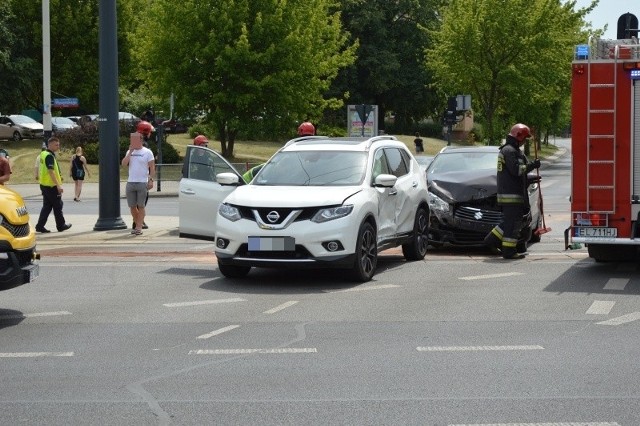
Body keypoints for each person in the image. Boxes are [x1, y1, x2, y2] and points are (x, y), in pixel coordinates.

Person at [484, 123, 540, 259]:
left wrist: (532, 175)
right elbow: (517, 170)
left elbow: (521, 170)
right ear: (518, 136)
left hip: (514, 194)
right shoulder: (509, 151)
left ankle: (491, 240)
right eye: (524, 138)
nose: (524, 142)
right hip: (511, 195)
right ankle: (508, 252)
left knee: (510, 222)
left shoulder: (514, 151)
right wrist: (532, 165)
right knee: (512, 224)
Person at [123, 123, 156, 235]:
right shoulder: (130, 151)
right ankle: (139, 222)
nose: (133, 142)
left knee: (141, 205)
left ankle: (138, 227)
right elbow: (123, 164)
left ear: (141, 140)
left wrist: (151, 180)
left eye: (135, 140)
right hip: (130, 182)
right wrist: (130, 152)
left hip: (142, 182)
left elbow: (152, 168)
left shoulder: (147, 152)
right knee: (132, 206)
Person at [35, 137, 72, 233]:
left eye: (58, 144)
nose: (58, 146)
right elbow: (51, 172)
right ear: (50, 144)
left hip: (44, 184)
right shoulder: (49, 156)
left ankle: (40, 226)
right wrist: (58, 185)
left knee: (47, 206)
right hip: (51, 186)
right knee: (58, 205)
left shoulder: (43, 154)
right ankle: (61, 225)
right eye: (56, 145)